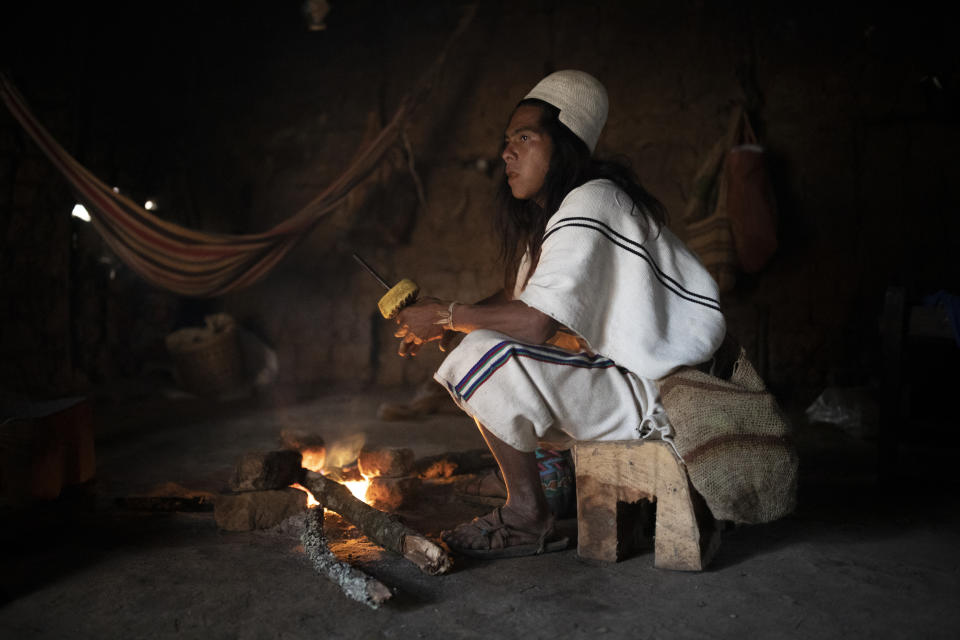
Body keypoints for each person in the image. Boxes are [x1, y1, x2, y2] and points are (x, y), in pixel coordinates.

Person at [393, 70, 726, 558]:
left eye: (524, 138)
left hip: (657, 396)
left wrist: (448, 317)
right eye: (507, 141)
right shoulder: (565, 213)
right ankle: (538, 500)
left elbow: (533, 323)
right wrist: (446, 319)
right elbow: (517, 302)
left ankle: (528, 515)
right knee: (478, 342)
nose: (507, 153)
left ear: (565, 144)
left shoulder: (592, 201)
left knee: (479, 354)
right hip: (637, 387)